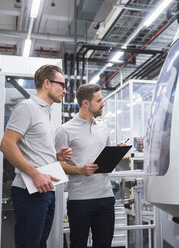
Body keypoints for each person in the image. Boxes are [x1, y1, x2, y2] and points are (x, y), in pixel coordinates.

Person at [0, 65, 97, 248]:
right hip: (30, 190)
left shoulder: (46, 112)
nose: (65, 90)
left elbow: (33, 149)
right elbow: (6, 144)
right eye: (61, 84)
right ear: (47, 83)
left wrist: (56, 156)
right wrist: (35, 174)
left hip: (45, 190)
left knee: (40, 243)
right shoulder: (27, 107)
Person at [55, 84, 117, 248]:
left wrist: (115, 154)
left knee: (104, 244)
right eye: (99, 100)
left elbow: (107, 158)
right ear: (85, 103)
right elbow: (57, 164)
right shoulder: (64, 130)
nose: (103, 103)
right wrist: (80, 170)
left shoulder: (104, 129)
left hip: (106, 198)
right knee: (78, 244)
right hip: (80, 200)